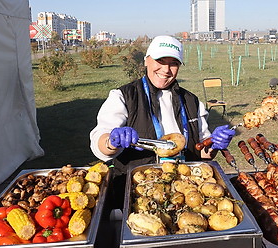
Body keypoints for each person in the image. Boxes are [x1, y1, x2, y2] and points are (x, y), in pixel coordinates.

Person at [90, 35, 235, 209]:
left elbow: (204, 153)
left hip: (186, 195)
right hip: (138, 195)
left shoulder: (192, 101)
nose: (166, 69)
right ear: (146, 61)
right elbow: (99, 143)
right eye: (160, 60)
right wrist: (111, 141)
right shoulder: (124, 96)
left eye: (173, 63)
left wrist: (214, 144)